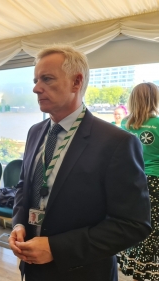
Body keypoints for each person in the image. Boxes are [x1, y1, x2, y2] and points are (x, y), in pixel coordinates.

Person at [9, 45, 151, 281]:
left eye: (47, 79)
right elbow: (24, 187)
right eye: (35, 80)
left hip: (83, 272)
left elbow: (134, 225)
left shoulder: (117, 142)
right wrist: (18, 224)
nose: (36, 88)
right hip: (32, 268)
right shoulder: (35, 132)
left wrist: (56, 248)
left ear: (76, 82)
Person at [119, 82, 159, 281]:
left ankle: (132, 266)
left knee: (133, 224)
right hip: (154, 181)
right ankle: (147, 272)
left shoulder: (124, 124)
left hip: (130, 180)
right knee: (152, 230)